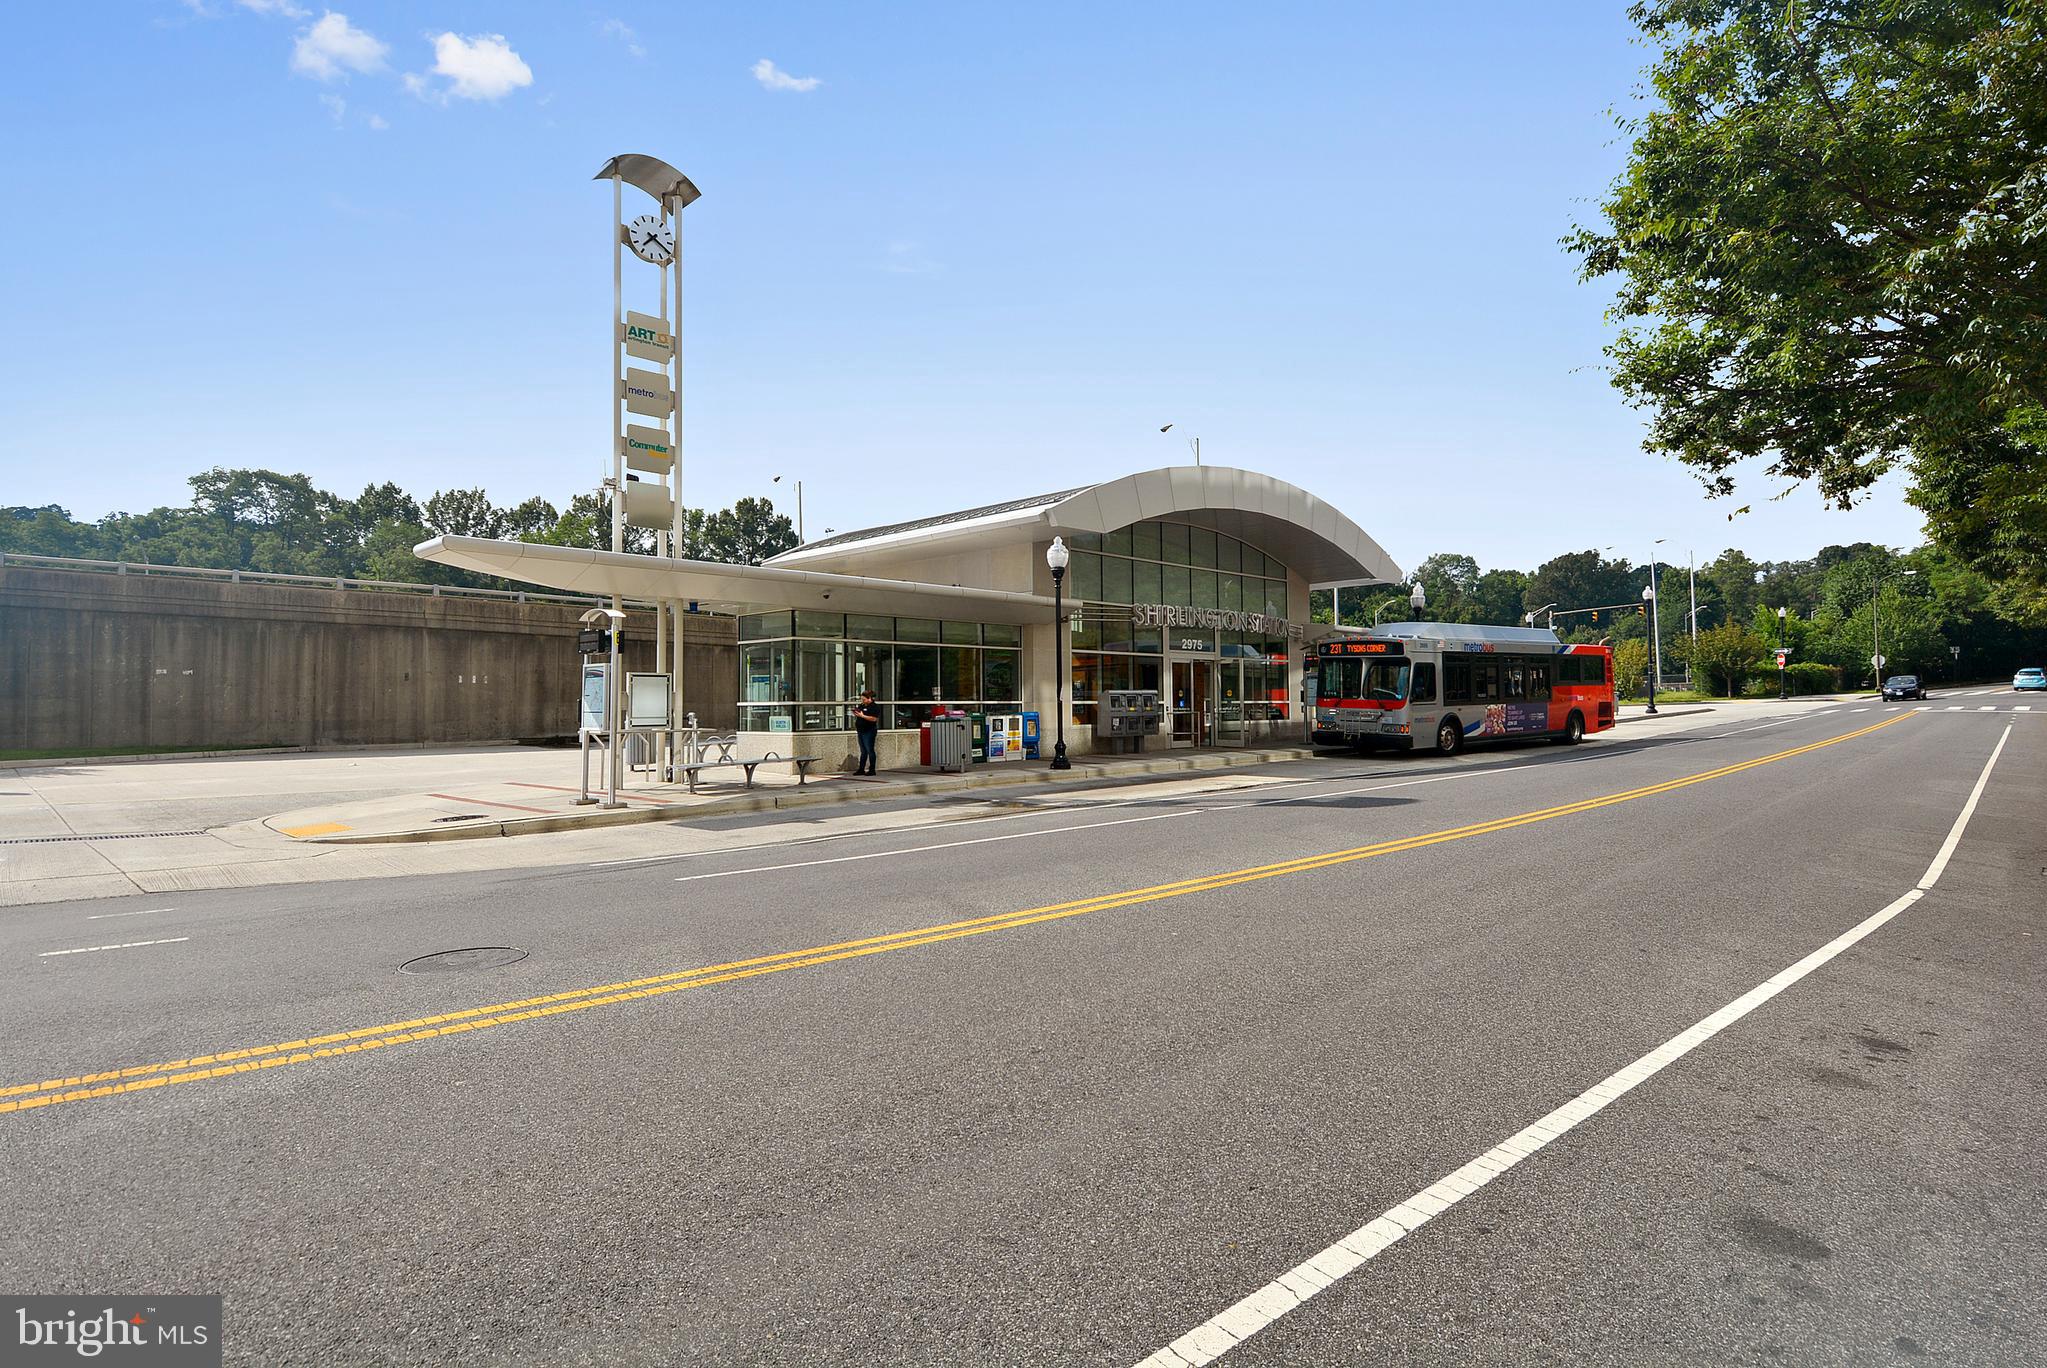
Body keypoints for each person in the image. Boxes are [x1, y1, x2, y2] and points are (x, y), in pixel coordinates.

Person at [852, 689, 882, 776]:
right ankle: (861, 769)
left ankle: (872, 769)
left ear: (870, 698)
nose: (863, 701)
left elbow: (874, 719)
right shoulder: (862, 705)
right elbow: (860, 712)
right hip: (860, 730)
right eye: (862, 699)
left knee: (870, 750)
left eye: (864, 699)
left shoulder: (874, 707)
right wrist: (857, 713)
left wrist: (862, 716)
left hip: (869, 731)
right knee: (863, 751)